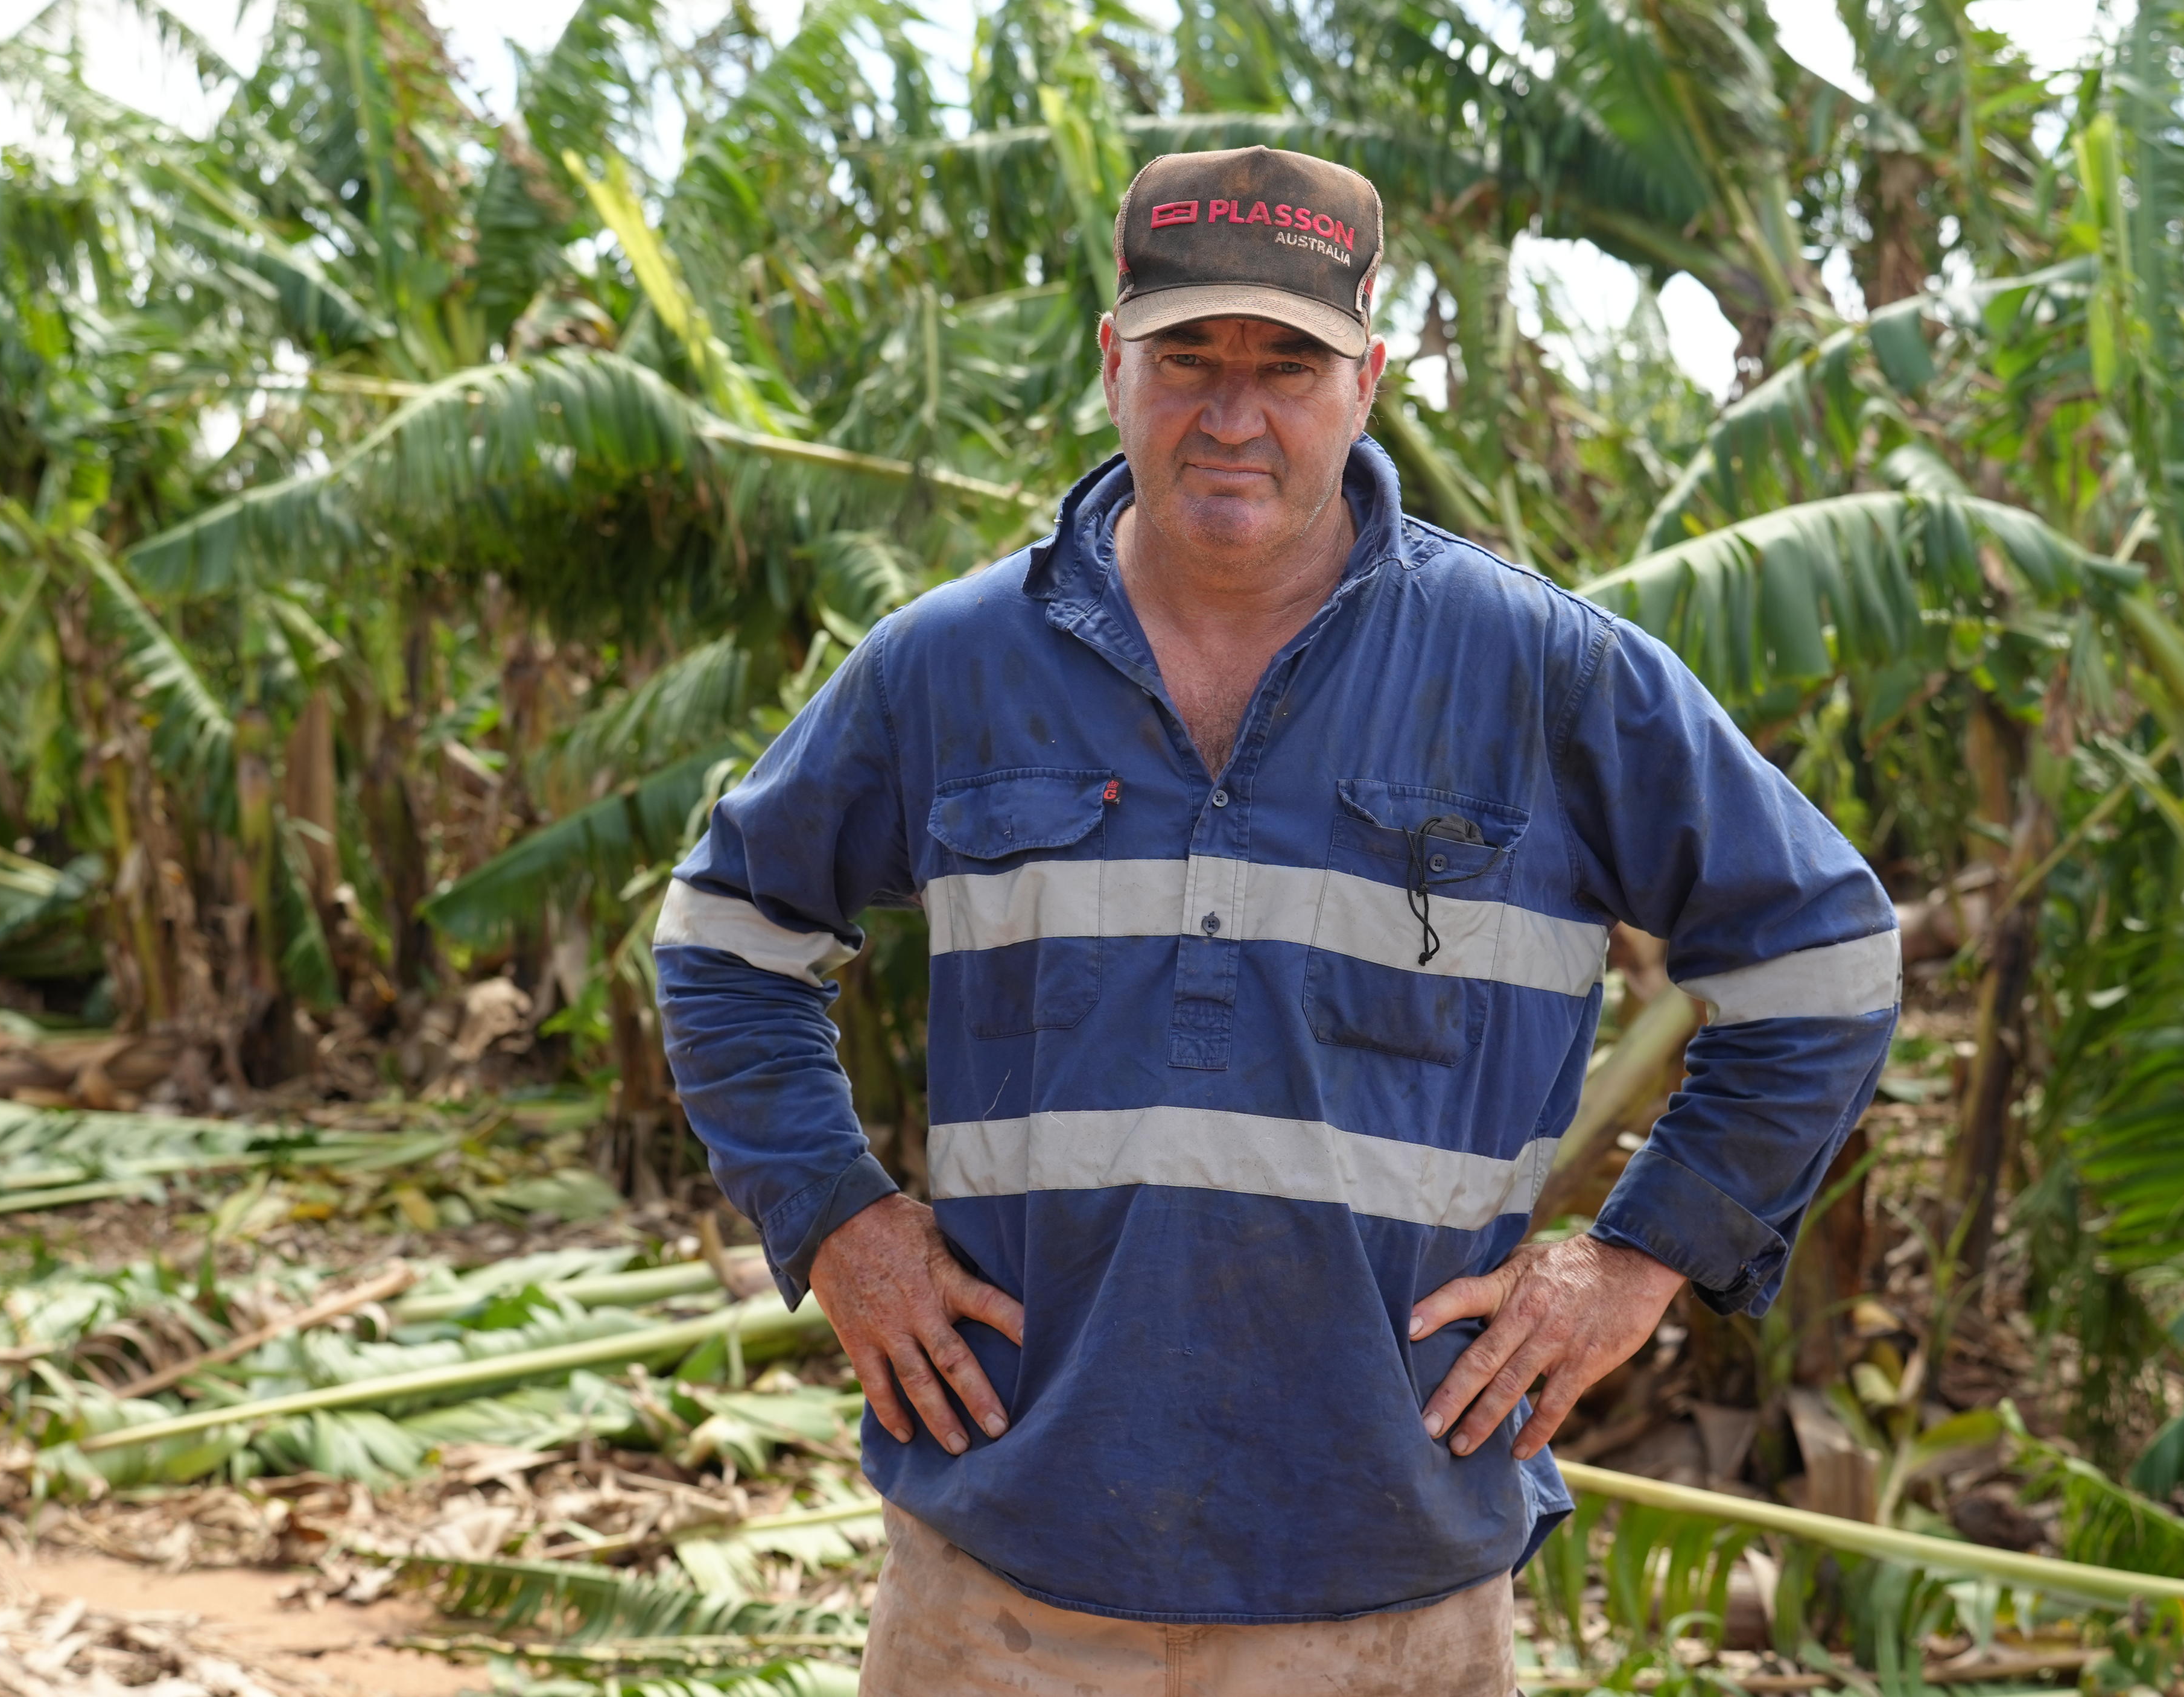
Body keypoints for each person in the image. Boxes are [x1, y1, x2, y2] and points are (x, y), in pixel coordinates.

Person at [653, 145, 1897, 1694]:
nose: (1231, 413)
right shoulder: (950, 666)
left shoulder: (1541, 672)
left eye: (1287, 363)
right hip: (1004, 1569)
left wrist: (1635, 1265)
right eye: (1188, 357)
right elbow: (726, 941)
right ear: (1113, 363)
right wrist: (839, 1223)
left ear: (1366, 379)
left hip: (1385, 1583)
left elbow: (1827, 965)